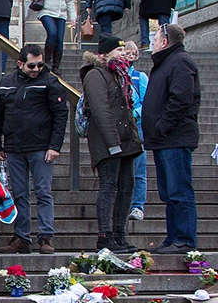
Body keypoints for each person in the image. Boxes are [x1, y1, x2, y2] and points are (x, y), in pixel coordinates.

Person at [0, 44, 68, 255]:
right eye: (32, 65)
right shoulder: (7, 83)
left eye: (40, 65)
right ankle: (22, 236)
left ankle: (45, 236)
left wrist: (54, 146)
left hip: (40, 147)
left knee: (43, 192)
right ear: (20, 64)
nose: (36, 69)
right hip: (15, 146)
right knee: (20, 194)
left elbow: (61, 115)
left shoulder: (49, 82)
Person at [80, 35, 143, 252]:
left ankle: (119, 234)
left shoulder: (120, 74)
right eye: (119, 51)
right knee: (108, 187)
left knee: (127, 187)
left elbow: (126, 109)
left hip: (125, 141)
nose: (123, 54)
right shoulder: (96, 74)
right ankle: (105, 236)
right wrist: (113, 142)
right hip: (108, 142)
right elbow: (100, 110)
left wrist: (133, 139)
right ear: (105, 54)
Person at [142, 24, 200, 254]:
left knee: (179, 190)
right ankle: (174, 236)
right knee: (168, 192)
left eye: (155, 39)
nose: (153, 43)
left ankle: (184, 238)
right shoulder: (166, 63)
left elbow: (181, 99)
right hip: (163, 139)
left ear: (165, 41)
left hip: (174, 138)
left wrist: (161, 126)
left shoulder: (180, 62)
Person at [26, 0, 77, 74]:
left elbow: (69, 1)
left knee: (59, 39)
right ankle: (47, 61)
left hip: (61, 14)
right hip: (46, 12)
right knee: (52, 33)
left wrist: (73, 17)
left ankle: (56, 65)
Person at [124, 41, 149, 221]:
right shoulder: (116, 75)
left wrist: (135, 114)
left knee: (139, 167)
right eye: (127, 52)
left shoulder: (140, 77)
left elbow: (147, 101)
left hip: (137, 124)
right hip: (120, 124)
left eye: (134, 53)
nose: (131, 56)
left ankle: (138, 205)